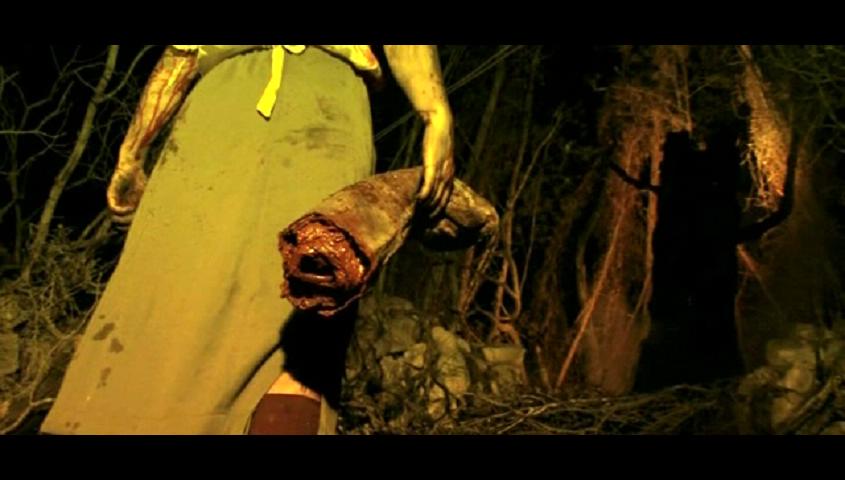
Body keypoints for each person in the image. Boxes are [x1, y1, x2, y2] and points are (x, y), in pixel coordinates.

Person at [40, 44, 454, 435]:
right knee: (165, 295)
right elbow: (184, 52)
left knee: (301, 286)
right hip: (214, 109)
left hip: (321, 106)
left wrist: (435, 112)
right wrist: (132, 151)